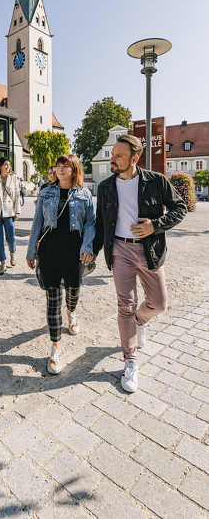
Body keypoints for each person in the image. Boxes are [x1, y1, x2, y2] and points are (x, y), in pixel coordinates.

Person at [93, 134, 187, 393]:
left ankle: (140, 322)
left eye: (118, 156)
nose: (112, 159)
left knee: (159, 303)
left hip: (149, 250)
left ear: (134, 159)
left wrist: (155, 226)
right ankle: (130, 360)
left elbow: (180, 208)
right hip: (120, 251)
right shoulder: (105, 187)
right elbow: (101, 224)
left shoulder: (156, 181)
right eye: (112, 153)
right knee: (125, 306)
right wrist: (92, 250)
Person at [27, 154, 95, 374]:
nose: (62, 169)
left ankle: (72, 312)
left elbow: (90, 223)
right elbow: (38, 222)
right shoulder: (46, 192)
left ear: (75, 169)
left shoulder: (85, 193)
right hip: (50, 249)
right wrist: (31, 251)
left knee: (73, 289)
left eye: (66, 166)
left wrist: (87, 247)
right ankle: (55, 347)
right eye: (59, 165)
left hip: (75, 250)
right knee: (53, 297)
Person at [0, 157, 20, 275]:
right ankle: (2, 263)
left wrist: (17, 211)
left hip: (9, 211)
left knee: (10, 237)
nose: (8, 166)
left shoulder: (14, 178)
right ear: (0, 166)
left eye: (9, 164)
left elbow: (17, 194)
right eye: (5, 164)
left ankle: (12, 253)